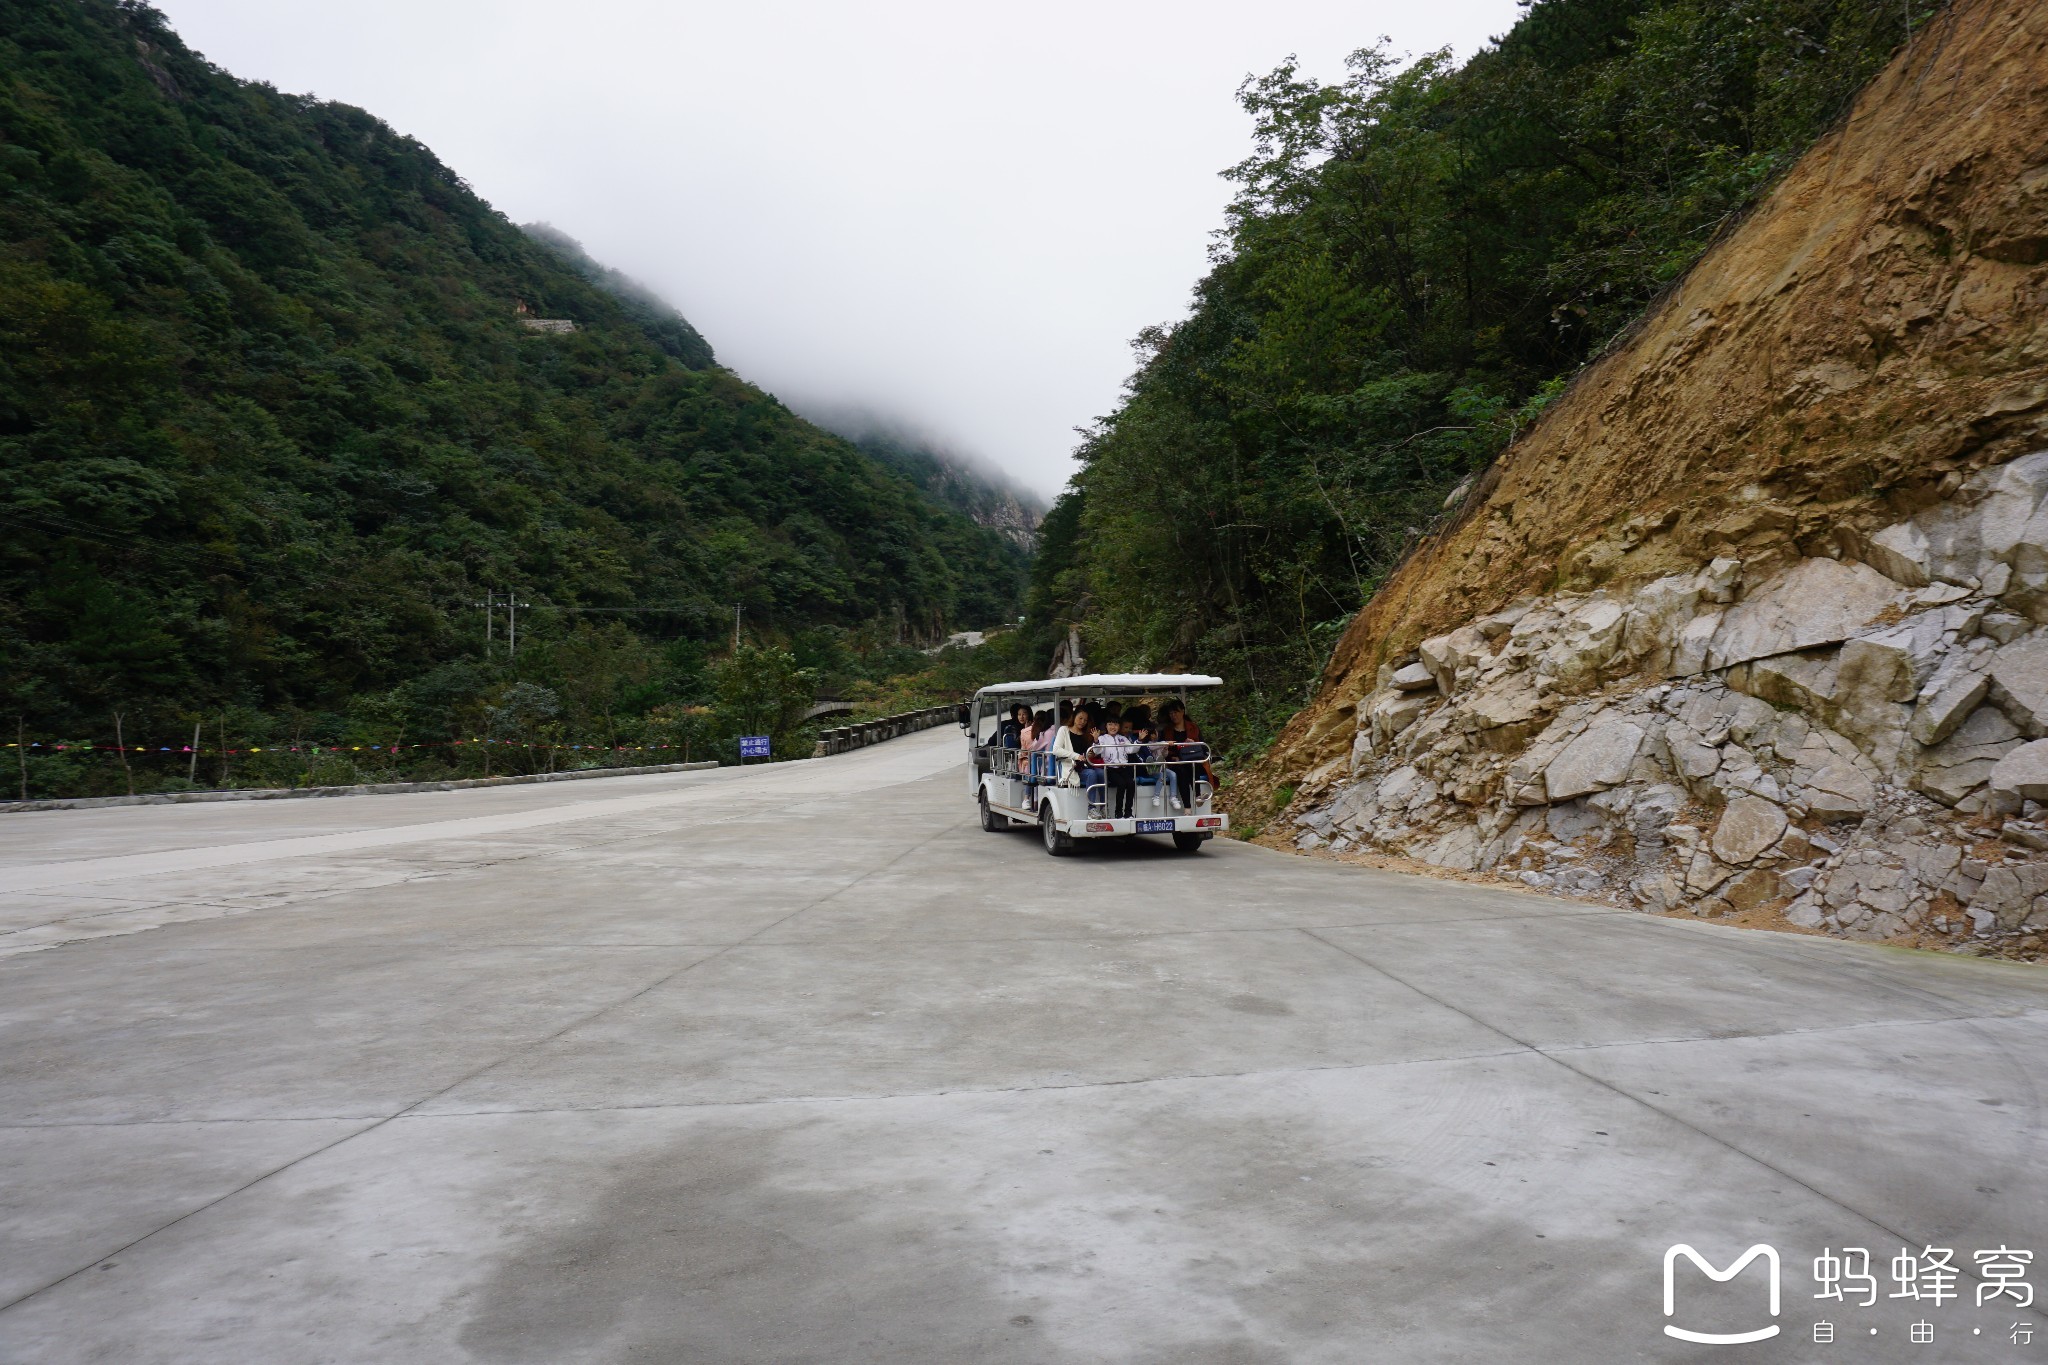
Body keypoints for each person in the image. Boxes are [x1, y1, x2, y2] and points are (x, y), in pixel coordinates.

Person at [1160, 700, 1206, 810]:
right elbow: (1163, 748)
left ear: (1182, 712)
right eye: (1171, 713)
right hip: (1174, 760)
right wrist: (1174, 756)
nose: (1173, 715)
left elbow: (1203, 746)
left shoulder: (1193, 727)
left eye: (1176, 712)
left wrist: (1193, 744)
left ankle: (1198, 796)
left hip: (1192, 758)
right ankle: (1187, 806)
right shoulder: (1167, 730)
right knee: (1181, 770)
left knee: (1192, 766)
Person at [1096, 716, 1136, 818]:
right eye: (1110, 724)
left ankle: (1128, 812)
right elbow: (1097, 751)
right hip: (1110, 769)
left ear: (1119, 726)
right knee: (1121, 784)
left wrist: (1139, 740)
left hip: (1123, 768)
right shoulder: (1102, 738)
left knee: (1131, 784)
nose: (1113, 727)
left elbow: (1131, 750)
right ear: (1106, 726)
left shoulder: (1122, 738)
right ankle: (1118, 813)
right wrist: (1096, 740)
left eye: (1115, 724)